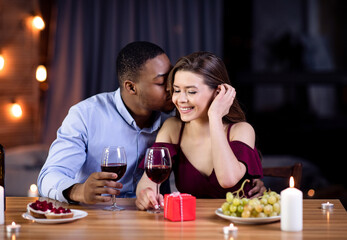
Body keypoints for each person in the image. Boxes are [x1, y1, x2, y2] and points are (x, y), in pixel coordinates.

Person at [38, 42, 265, 205]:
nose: (173, 93)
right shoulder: (86, 115)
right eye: (170, 86)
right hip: (98, 215)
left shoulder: (173, 120)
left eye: (182, 87)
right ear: (131, 87)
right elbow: (50, 176)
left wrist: (215, 116)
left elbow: (230, 178)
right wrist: (78, 191)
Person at [136, 52, 263, 211]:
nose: (180, 99)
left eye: (191, 91)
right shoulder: (173, 128)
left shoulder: (241, 130)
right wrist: (145, 193)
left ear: (218, 92)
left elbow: (227, 179)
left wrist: (215, 117)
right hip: (192, 224)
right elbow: (149, 179)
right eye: (176, 90)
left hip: (239, 224)